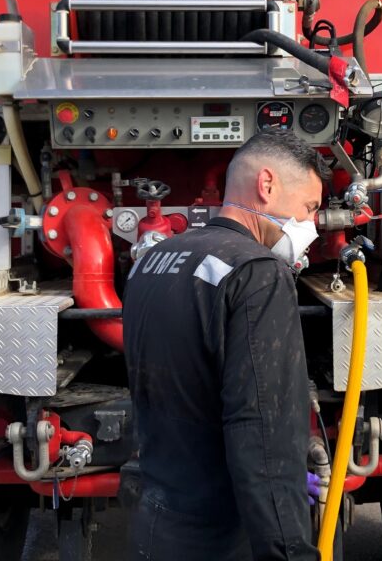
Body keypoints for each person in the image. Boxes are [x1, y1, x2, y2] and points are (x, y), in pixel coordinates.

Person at [123, 130, 331, 561]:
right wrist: (289, 549)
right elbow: (262, 429)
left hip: (157, 525)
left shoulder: (154, 261)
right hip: (220, 536)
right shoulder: (257, 272)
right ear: (267, 185)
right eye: (309, 207)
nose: (310, 224)